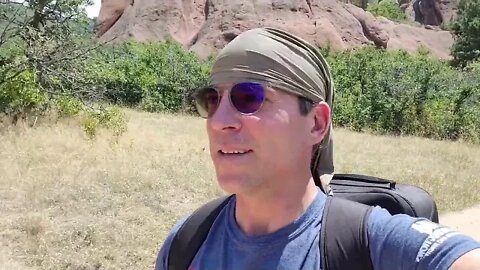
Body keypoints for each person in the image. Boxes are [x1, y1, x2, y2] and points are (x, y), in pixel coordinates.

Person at [154, 27, 480, 269]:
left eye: (249, 97)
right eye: (213, 100)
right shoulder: (187, 242)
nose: (218, 121)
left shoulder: (369, 241)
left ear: (316, 123)